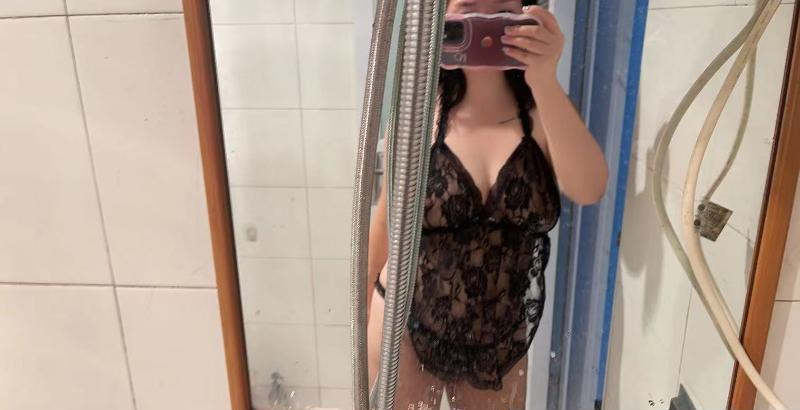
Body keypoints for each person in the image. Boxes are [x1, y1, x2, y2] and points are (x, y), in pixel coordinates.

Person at [366, 1, 608, 409]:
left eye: (502, 14)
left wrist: (544, 79)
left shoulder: (543, 113)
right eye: (470, 9)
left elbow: (589, 189)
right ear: (443, 19)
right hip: (405, 321)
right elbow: (384, 224)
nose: (487, 28)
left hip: (498, 337)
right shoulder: (418, 117)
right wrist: (357, 315)